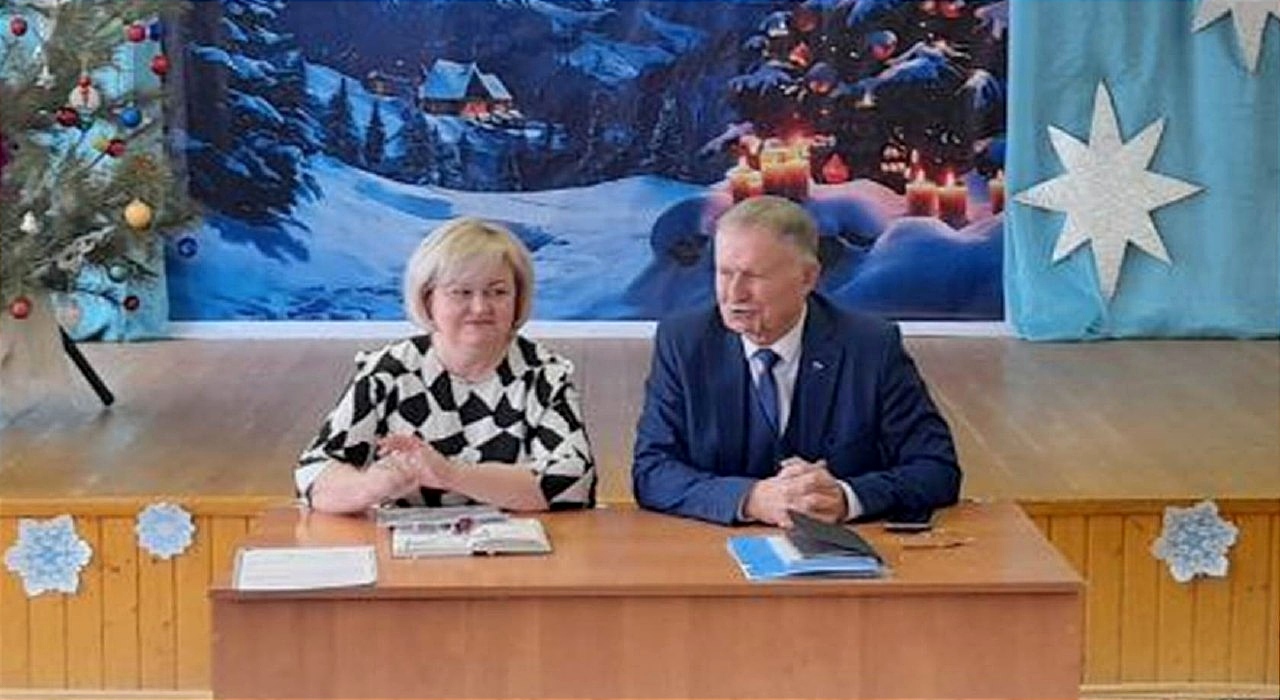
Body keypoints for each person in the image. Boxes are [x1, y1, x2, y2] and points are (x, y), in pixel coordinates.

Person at [632, 196, 960, 526]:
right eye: (724, 273)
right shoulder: (684, 343)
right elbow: (652, 471)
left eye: (753, 276)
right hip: (711, 546)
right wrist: (750, 500)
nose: (734, 294)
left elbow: (936, 468)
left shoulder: (870, 347)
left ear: (807, 277)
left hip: (841, 547)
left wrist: (846, 498)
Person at [297, 218, 596, 514]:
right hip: (404, 544)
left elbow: (574, 480)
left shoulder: (543, 374)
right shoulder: (388, 372)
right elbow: (313, 474)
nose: (480, 307)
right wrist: (371, 486)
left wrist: (450, 474)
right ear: (428, 299)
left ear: (518, 299)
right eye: (461, 292)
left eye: (498, 292)